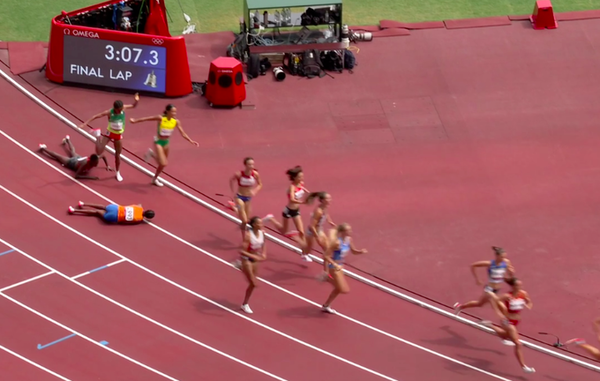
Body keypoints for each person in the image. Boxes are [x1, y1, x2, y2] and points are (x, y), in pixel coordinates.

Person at [130, 104, 199, 187]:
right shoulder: (161, 118)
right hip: (158, 142)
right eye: (173, 111)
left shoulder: (176, 121)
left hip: (166, 143)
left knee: (161, 165)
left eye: (175, 112)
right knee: (163, 163)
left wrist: (191, 141)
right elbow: (147, 118)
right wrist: (135, 120)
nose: (174, 113)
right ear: (167, 111)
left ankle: (154, 179)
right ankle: (151, 154)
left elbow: (183, 133)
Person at [79, 93, 139, 182]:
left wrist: (136, 100)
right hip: (109, 133)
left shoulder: (123, 108)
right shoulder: (109, 112)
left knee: (118, 154)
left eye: (122, 108)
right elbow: (96, 116)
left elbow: (134, 106)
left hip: (118, 135)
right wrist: (85, 123)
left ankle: (117, 172)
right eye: (119, 109)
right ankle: (97, 135)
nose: (121, 110)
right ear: (115, 109)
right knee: (98, 152)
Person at [480, 277, 535, 373]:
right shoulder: (507, 296)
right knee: (518, 343)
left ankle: (490, 325)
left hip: (516, 321)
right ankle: (524, 367)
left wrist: (528, 305)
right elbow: (495, 301)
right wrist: (501, 311)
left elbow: (529, 302)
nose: (520, 287)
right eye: (518, 285)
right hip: (507, 321)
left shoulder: (523, 294)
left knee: (505, 335)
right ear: (512, 286)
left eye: (520, 285)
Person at [263, 166, 309, 259]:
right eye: (300, 177)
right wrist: (302, 202)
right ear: (294, 177)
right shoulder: (292, 187)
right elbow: (292, 199)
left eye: (302, 176)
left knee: (301, 232)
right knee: (283, 231)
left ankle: (304, 254)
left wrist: (309, 194)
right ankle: (271, 218)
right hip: (288, 211)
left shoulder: (301, 183)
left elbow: (303, 189)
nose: (302, 178)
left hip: (296, 211)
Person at [453, 246, 515, 316]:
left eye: (504, 257)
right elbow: (473, 265)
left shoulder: (506, 262)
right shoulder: (490, 264)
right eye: (501, 257)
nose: (503, 259)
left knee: (479, 304)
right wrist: (477, 279)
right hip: (489, 290)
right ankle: (505, 323)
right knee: (502, 308)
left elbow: (509, 276)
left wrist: (511, 272)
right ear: (496, 256)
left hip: (497, 290)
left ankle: (460, 306)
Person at [320, 223, 367, 314]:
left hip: (340, 266)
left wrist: (360, 252)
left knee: (338, 289)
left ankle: (326, 305)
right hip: (333, 267)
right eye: (348, 230)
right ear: (342, 232)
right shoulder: (337, 243)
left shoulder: (349, 240)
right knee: (343, 290)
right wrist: (334, 264)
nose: (351, 231)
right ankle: (327, 277)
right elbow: (325, 256)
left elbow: (354, 252)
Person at [232, 217, 267, 314]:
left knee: (252, 284)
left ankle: (245, 304)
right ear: (254, 225)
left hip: (255, 259)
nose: (262, 224)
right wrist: (253, 256)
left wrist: (264, 254)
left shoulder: (262, 233)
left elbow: (264, 243)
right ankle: (242, 265)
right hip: (246, 258)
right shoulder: (248, 235)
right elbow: (242, 251)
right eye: (260, 223)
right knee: (254, 283)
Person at [38, 135, 110, 180]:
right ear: (91, 161)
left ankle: (67, 140)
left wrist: (107, 165)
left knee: (73, 151)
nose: (97, 164)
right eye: (96, 163)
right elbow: (76, 176)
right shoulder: (85, 163)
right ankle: (43, 148)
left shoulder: (96, 158)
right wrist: (91, 178)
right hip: (72, 163)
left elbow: (103, 155)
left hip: (79, 158)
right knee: (58, 157)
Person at [228, 157, 263, 240]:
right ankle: (245, 239)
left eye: (252, 164)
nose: (251, 166)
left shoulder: (255, 174)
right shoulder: (239, 174)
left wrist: (255, 191)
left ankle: (234, 208)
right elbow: (231, 180)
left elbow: (260, 184)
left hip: (248, 198)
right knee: (244, 220)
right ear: (245, 165)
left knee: (247, 220)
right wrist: (232, 192)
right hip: (239, 197)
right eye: (249, 164)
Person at [302, 192, 336, 269]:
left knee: (327, 250)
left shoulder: (324, 207)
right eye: (328, 198)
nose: (330, 200)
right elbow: (312, 226)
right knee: (308, 250)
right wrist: (317, 237)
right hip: (312, 232)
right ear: (322, 200)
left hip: (319, 230)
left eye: (330, 198)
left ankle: (326, 271)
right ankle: (303, 250)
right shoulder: (318, 211)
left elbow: (326, 214)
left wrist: (330, 221)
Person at [67, 201, 155, 224]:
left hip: (116, 208)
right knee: (97, 212)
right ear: (147, 217)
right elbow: (126, 222)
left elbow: (139, 204)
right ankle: (74, 211)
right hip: (115, 217)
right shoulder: (139, 219)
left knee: (102, 206)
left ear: (146, 210)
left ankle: (83, 203)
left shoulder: (139, 207)